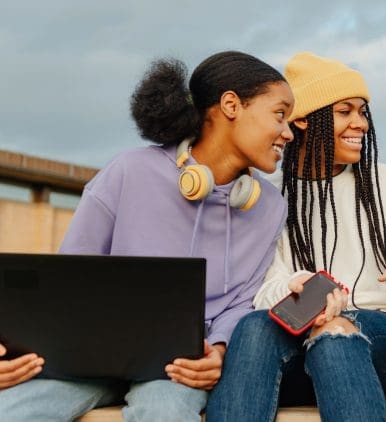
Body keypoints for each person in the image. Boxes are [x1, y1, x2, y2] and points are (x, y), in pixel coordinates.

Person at [0, 51, 294, 421]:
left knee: (164, 411)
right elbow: (70, 272)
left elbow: (242, 302)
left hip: (178, 367)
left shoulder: (268, 206)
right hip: (87, 357)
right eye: (280, 115)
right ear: (231, 105)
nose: (288, 132)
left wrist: (218, 351)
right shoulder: (129, 170)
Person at [206, 52, 386, 421]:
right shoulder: (267, 194)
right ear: (302, 119)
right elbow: (262, 288)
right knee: (256, 327)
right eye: (345, 111)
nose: (360, 124)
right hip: (298, 343)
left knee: (336, 330)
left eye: (363, 112)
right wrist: (296, 288)